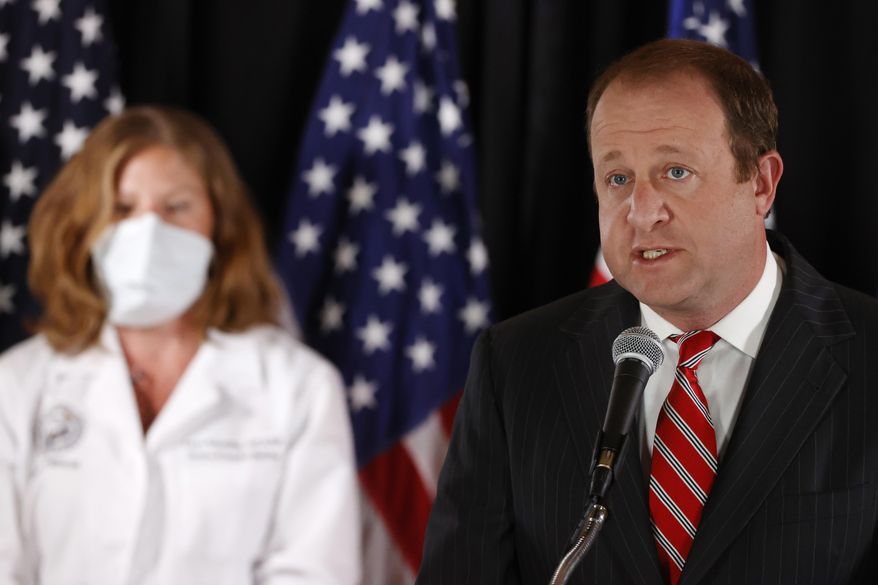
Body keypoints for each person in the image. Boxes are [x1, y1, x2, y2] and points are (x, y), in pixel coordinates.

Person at [417, 39, 878, 585]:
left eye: (675, 172)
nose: (641, 211)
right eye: (618, 179)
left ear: (760, 183)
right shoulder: (516, 364)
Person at [0, 106, 361, 585]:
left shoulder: (299, 387)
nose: (149, 232)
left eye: (176, 206)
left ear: (220, 222)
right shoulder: (20, 382)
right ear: (84, 226)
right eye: (123, 209)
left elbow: (314, 572)